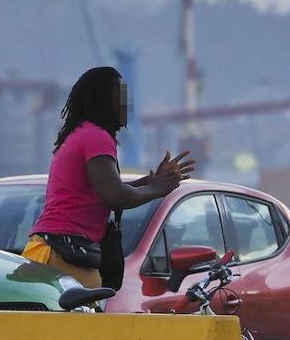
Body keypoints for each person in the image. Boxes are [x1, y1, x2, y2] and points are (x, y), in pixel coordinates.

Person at [22, 66, 195, 288]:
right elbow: (114, 196)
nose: (126, 106)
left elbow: (95, 192)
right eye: (120, 97)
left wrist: (146, 183)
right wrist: (157, 189)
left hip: (47, 249)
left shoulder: (82, 133)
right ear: (102, 99)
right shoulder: (96, 137)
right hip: (65, 255)